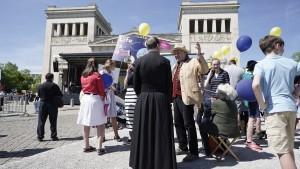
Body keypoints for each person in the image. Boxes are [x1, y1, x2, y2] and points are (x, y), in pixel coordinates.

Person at [129, 37, 177, 169]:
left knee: (143, 130)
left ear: (147, 47)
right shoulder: (165, 62)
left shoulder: (139, 61)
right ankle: (162, 163)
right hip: (161, 98)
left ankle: (142, 162)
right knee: (161, 131)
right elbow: (169, 84)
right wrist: (167, 98)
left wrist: (142, 95)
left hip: (143, 99)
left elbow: (136, 84)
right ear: (158, 46)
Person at [252, 35, 299, 169]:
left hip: (274, 110)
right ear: (278, 45)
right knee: (288, 148)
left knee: (282, 151)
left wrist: (262, 105)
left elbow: (255, 85)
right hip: (290, 108)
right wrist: (298, 93)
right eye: (283, 46)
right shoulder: (291, 63)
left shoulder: (260, 64)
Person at [171, 42, 209, 162]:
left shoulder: (193, 61)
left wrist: (199, 55)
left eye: (178, 52)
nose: (176, 54)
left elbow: (205, 69)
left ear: (185, 52)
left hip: (187, 96)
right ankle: (183, 147)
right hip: (176, 97)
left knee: (189, 124)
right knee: (178, 123)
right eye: (175, 52)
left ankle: (194, 152)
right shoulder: (175, 65)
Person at [199, 83, 240, 156]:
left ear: (222, 93)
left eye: (218, 91)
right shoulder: (234, 104)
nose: (217, 92)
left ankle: (207, 150)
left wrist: (212, 103)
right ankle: (224, 147)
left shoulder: (217, 103)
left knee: (202, 125)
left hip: (221, 132)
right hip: (234, 131)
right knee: (222, 124)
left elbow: (207, 115)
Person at [77, 58, 107, 155]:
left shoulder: (83, 75)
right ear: (97, 65)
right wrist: (103, 99)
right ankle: (99, 147)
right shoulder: (97, 75)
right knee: (101, 123)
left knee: (86, 123)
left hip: (85, 98)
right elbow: (101, 91)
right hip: (95, 99)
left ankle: (86, 145)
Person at [242, 60, 263, 150]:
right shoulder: (254, 76)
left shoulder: (244, 75)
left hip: (247, 100)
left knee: (252, 119)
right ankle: (249, 140)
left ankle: (249, 140)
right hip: (254, 100)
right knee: (251, 119)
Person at [37, 73, 63, 142]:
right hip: (52, 104)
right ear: (52, 78)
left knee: (41, 121)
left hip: (42, 104)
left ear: (45, 78)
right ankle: (53, 136)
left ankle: (40, 136)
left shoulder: (41, 86)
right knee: (53, 121)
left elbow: (39, 95)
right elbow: (60, 95)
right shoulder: (55, 86)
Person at [101, 59, 121, 142]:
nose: (115, 67)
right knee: (103, 116)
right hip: (104, 95)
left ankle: (116, 135)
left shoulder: (112, 73)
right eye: (114, 65)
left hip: (111, 95)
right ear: (110, 65)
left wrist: (113, 88)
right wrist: (109, 87)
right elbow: (100, 85)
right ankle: (102, 136)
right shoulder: (102, 72)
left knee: (113, 115)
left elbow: (112, 84)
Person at [224, 59, 245, 136]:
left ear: (229, 64)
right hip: (238, 92)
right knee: (238, 112)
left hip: (228, 92)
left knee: (228, 112)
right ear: (235, 64)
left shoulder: (225, 69)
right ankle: (237, 131)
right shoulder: (241, 70)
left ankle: (229, 131)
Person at [123, 63, 136, 145]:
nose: (129, 66)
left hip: (136, 93)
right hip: (129, 94)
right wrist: (128, 72)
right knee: (129, 115)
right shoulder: (129, 72)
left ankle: (137, 135)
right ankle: (131, 136)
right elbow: (125, 84)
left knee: (136, 114)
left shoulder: (138, 71)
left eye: (130, 65)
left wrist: (135, 70)